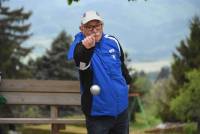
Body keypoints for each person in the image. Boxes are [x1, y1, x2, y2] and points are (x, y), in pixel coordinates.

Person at [67, 10, 132, 134]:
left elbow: (122, 66)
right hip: (98, 114)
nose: (94, 30)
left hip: (121, 110)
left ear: (102, 25)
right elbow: (80, 61)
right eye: (89, 27)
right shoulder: (80, 46)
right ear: (82, 28)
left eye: (97, 25)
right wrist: (87, 48)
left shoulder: (113, 41)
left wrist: (126, 86)